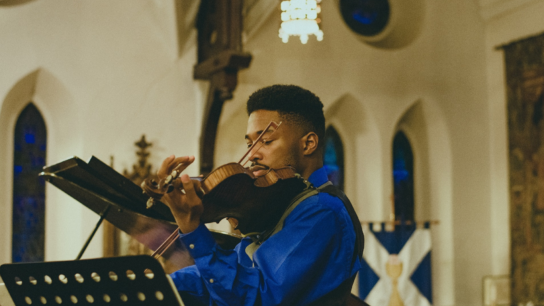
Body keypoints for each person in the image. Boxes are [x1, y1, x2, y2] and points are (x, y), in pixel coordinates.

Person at [158, 85, 364, 306]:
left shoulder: (323, 211)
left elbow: (255, 298)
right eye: (250, 144)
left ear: (308, 144)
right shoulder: (275, 205)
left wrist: (192, 229)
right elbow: (229, 277)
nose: (253, 154)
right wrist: (157, 285)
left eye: (266, 141)